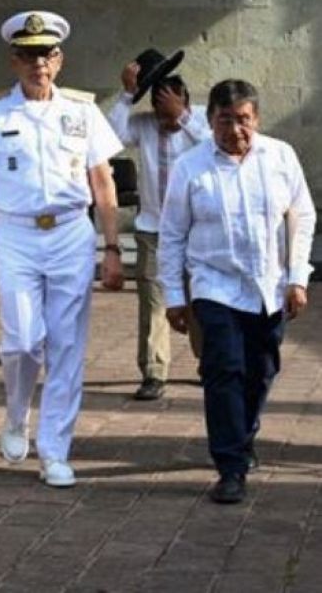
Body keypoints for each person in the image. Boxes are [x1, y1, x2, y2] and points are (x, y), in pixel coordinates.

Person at [0, 10, 124, 489]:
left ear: (60, 59)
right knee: (22, 340)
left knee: (66, 345)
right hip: (15, 234)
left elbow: (103, 183)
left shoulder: (83, 111)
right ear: (14, 61)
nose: (38, 65)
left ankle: (55, 450)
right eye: (29, 56)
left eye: (46, 55)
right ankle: (15, 415)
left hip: (71, 231)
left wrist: (111, 247)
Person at [157, 79, 315, 505]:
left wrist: (298, 277)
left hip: (269, 285)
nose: (235, 130)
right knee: (223, 370)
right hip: (214, 285)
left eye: (243, 120)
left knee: (261, 370)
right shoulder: (191, 167)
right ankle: (230, 467)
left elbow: (302, 215)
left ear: (256, 119)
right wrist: (174, 295)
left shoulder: (280, 156)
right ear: (210, 121)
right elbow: (171, 235)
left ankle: (243, 437)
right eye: (225, 120)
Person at [109, 49, 211, 401]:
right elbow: (110, 136)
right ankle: (154, 371)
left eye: (171, 102)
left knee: (201, 297)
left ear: (185, 99)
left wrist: (181, 118)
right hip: (154, 229)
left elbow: (215, 145)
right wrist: (125, 94)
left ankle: (208, 363)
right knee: (152, 299)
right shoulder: (143, 125)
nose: (163, 113)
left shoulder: (200, 119)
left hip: (199, 229)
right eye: (158, 104)